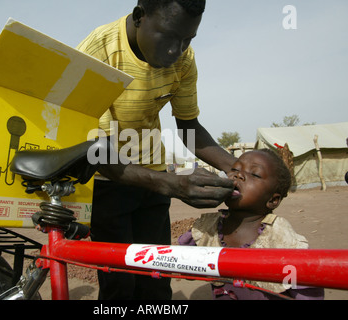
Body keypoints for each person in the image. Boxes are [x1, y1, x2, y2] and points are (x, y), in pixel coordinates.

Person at [76, 0, 236, 300]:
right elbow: (97, 152)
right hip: (108, 180)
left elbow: (189, 128)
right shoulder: (98, 51)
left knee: (155, 279)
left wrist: (237, 168)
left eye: (187, 39)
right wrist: (174, 185)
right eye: (169, 37)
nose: (177, 50)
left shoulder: (184, 59)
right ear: (140, 17)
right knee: (120, 282)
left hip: (154, 174)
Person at [179, 149, 325, 300]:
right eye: (234, 169)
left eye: (254, 174)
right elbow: (187, 271)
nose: (238, 175)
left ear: (273, 200)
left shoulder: (283, 240)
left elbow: (308, 294)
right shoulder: (207, 229)